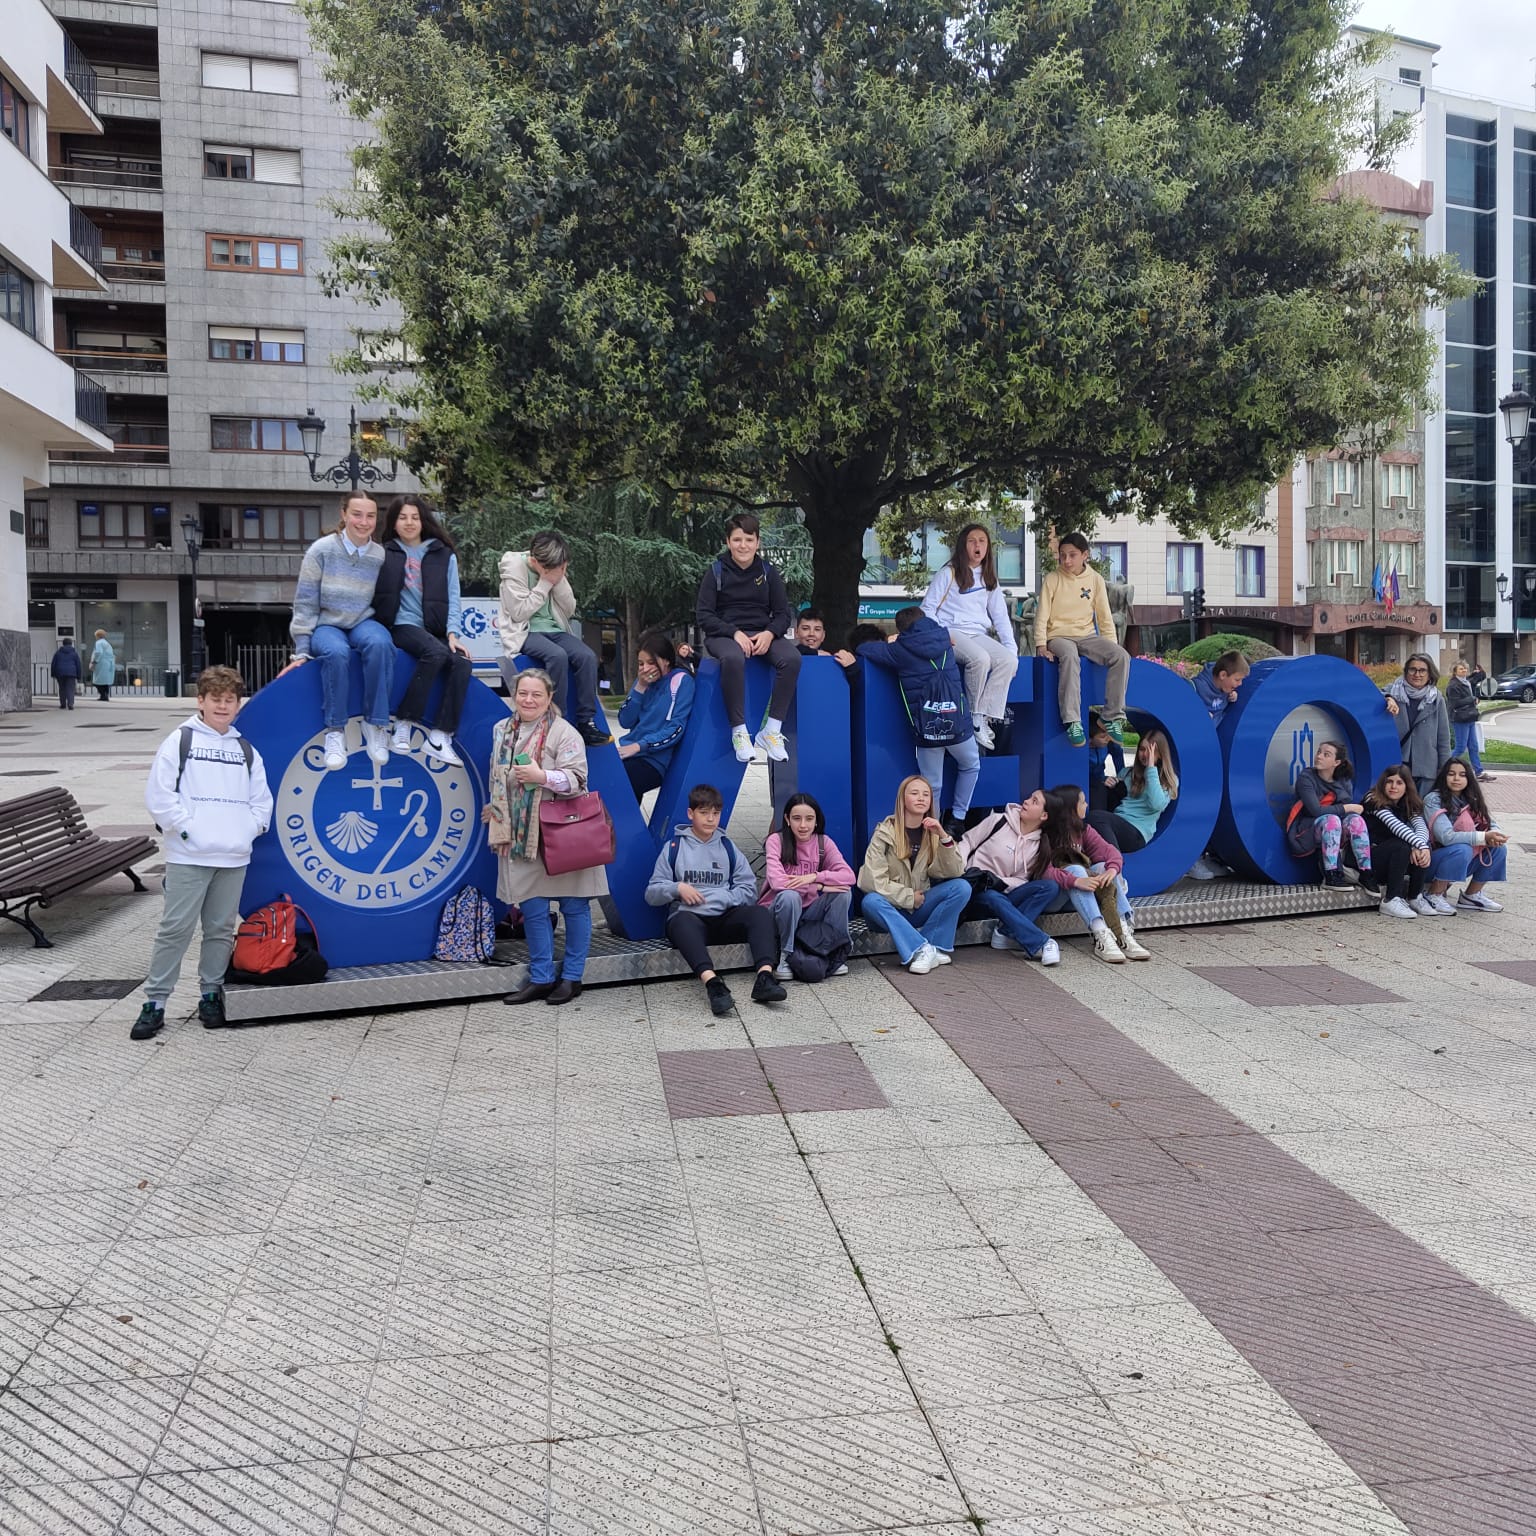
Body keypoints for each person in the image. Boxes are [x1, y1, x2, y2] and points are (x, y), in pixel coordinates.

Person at [134, 666, 273, 1040]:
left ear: (238, 704)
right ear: (200, 701)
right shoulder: (180, 741)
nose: (223, 706)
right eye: (216, 699)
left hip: (233, 857)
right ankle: (155, 1002)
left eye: (230, 700)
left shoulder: (246, 750)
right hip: (189, 856)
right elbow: (159, 796)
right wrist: (187, 830)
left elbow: (262, 802)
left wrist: (248, 830)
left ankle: (211, 994)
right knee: (175, 929)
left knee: (220, 930)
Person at [485, 668, 606, 1006]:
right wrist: (494, 807)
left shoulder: (564, 732)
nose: (528, 700)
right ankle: (541, 978)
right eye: (523, 693)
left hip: (562, 831)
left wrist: (542, 776)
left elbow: (577, 779)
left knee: (574, 904)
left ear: (549, 697)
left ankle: (572, 978)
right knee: (533, 905)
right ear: (514, 694)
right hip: (522, 833)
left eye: (536, 694)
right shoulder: (501, 729)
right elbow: (496, 774)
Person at [646, 783, 787, 1016]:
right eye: (704, 813)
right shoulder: (673, 848)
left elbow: (749, 889)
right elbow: (652, 894)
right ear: (690, 814)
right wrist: (677, 888)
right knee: (679, 922)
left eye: (715, 813)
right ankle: (713, 984)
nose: (711, 819)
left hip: (724, 917)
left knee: (760, 913)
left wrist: (725, 897)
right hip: (692, 921)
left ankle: (765, 977)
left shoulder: (727, 847)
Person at [288, 492, 395, 773]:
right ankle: (335, 731)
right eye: (357, 514)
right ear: (344, 514)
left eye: (370, 516)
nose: (364, 522)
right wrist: (302, 648)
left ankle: (376, 724)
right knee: (336, 653)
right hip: (327, 624)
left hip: (362, 621)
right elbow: (305, 601)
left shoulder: (380, 555)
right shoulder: (321, 550)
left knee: (381, 643)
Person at [856, 605, 979, 841]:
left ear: (901, 629)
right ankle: (957, 819)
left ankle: (933, 832)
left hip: (927, 728)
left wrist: (892, 640)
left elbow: (864, 648)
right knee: (971, 765)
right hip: (958, 724)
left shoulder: (899, 650)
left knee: (932, 784)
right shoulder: (946, 639)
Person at [373, 494, 472, 767]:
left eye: (415, 517)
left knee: (462, 663)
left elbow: (454, 597)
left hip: (434, 628)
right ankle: (404, 722)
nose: (409, 523)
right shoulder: (384, 553)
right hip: (400, 624)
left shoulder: (443, 554)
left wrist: (453, 634)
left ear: (423, 520)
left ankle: (440, 736)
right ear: (393, 522)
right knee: (435, 653)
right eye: (403, 517)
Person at [695, 512, 800, 763]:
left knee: (792, 659)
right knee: (733, 658)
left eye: (749, 540)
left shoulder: (768, 572)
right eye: (737, 539)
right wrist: (734, 632)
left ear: (758, 542)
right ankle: (739, 731)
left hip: (762, 633)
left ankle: (771, 730)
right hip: (724, 634)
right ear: (728, 542)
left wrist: (769, 633)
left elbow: (783, 614)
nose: (743, 546)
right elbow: (704, 615)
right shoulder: (715, 572)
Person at [498, 531, 611, 748]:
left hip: (554, 629)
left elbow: (569, 609)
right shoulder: (515, 568)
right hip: (525, 631)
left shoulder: (554, 566)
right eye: (551, 568)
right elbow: (519, 613)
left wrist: (558, 581)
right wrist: (544, 583)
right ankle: (557, 719)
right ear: (535, 561)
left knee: (587, 656)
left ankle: (586, 721)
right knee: (557, 656)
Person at [857, 774, 970, 974]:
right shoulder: (884, 833)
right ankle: (921, 949)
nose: (921, 798)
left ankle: (933, 946)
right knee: (870, 901)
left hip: (920, 907)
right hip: (891, 911)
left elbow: (954, 871)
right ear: (903, 799)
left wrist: (943, 837)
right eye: (915, 793)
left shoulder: (932, 832)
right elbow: (870, 881)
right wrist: (908, 897)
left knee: (961, 887)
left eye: (926, 794)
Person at [920, 524, 1017, 750]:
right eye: (972, 541)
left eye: (982, 541)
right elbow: (927, 609)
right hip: (951, 631)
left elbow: (1001, 617)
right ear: (963, 545)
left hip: (977, 633)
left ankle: (983, 715)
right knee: (980, 659)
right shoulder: (949, 572)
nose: (977, 545)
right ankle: (973, 716)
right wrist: (942, 634)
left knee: (1008, 661)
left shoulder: (989, 578)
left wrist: (1011, 649)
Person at [1035, 532, 1130, 749]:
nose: (1066, 560)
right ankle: (1072, 721)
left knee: (1121, 656)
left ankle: (1111, 716)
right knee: (1070, 656)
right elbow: (1042, 614)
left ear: (1085, 555)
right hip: (1058, 636)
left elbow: (1104, 617)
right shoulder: (1052, 579)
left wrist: (1111, 645)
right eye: (1062, 555)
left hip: (1087, 636)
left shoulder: (1095, 580)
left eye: (1072, 555)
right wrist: (1041, 644)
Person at [1036, 785, 1151, 962]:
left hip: (1080, 898)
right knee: (1076, 870)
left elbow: (1110, 852)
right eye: (1082, 802)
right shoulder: (1046, 834)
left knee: (1103, 867)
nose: (1087, 805)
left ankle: (1122, 932)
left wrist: (1111, 869)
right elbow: (1044, 872)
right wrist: (1075, 880)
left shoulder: (1083, 830)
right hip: (1054, 899)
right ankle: (1100, 935)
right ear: (1070, 809)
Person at [960, 790, 1062, 966]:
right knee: (992, 897)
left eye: (1034, 801)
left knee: (1049, 887)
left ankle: (1005, 933)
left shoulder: (1039, 845)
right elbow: (967, 841)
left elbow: (1022, 879)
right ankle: (1042, 942)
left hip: (1002, 891)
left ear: (1044, 815)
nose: (1026, 801)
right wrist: (962, 869)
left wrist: (999, 881)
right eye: (1029, 797)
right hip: (975, 890)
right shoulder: (998, 820)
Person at [759, 793, 855, 979]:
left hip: (808, 913)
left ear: (817, 821)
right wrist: (817, 887)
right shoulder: (776, 840)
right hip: (777, 912)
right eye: (797, 818)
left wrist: (815, 878)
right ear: (787, 819)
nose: (803, 825)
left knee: (843, 893)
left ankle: (834, 951)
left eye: (809, 819)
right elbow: (778, 882)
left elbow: (849, 876)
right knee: (790, 896)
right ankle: (785, 955)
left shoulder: (823, 842)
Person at [1423, 757, 1510, 914]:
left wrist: (1495, 835)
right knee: (1462, 849)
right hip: (1430, 860)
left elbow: (1489, 823)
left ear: (1469, 778)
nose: (1456, 778)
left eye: (1462, 775)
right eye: (1451, 774)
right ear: (1444, 776)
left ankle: (1471, 896)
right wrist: (1484, 837)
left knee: (1498, 849)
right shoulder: (1433, 799)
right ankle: (1433, 894)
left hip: (1460, 859)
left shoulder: (1471, 798)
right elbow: (1446, 837)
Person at [616, 631, 695, 799]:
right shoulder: (642, 681)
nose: (645, 669)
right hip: (630, 753)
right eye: (640, 664)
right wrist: (640, 687)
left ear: (666, 660)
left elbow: (676, 729)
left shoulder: (681, 681)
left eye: (651, 662)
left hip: (654, 760)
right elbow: (625, 720)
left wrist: (640, 746)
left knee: (619, 781)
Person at [1285, 740, 1372, 889]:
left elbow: (1347, 814)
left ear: (1336, 762)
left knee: (1356, 820)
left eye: (1326, 754)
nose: (1319, 756)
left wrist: (1348, 810)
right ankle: (1331, 874)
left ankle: (1366, 873)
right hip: (1307, 829)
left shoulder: (1344, 781)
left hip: (1335, 831)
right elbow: (1316, 810)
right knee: (1332, 820)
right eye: (1319, 752)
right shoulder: (1306, 777)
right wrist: (1346, 807)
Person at [1362, 765, 1433, 919]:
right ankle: (1391, 899)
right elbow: (1395, 826)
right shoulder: (1372, 798)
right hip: (1366, 861)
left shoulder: (1408, 802)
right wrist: (1419, 845)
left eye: (1399, 783)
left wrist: (1421, 846)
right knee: (1402, 846)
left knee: (1424, 846)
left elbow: (1421, 828)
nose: (1394, 786)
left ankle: (1415, 897)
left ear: (1407, 786)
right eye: (1389, 782)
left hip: (1390, 860)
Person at [1097, 730, 1177, 854]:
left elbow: (1157, 804)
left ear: (1161, 754)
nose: (1145, 755)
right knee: (1092, 814)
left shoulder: (1169, 780)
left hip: (1137, 832)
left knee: (1096, 818)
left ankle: (1114, 861)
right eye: (1142, 749)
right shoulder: (1127, 773)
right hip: (1116, 823)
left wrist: (1151, 768)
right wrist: (1108, 783)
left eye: (1150, 751)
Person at [1384, 653, 1452, 795]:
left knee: (1420, 806)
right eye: (1412, 669)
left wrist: (1445, 770)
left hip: (1426, 767)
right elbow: (1374, 695)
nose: (1417, 674)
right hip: (1396, 766)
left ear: (1430, 673)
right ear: (1406, 671)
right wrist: (1388, 698)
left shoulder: (1436, 699)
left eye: (1422, 670)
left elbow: (1443, 738)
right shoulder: (1393, 691)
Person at [1446, 662, 1494, 784]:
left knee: (1473, 746)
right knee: (1460, 747)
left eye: (1465, 669)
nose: (1464, 670)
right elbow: (1455, 703)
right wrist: (1472, 699)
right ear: (1455, 671)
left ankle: (1479, 772)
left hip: (1470, 717)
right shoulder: (1453, 685)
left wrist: (1479, 671)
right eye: (1461, 669)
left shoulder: (1466, 682)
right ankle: (1443, 766)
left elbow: (1480, 677)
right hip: (1460, 718)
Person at [1192, 650, 1250, 722]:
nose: (1240, 684)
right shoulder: (1198, 687)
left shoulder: (1225, 687)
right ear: (1223, 675)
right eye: (1237, 680)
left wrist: (1231, 697)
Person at [49, 637, 81, 710]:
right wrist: (78, 675)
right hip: (71, 673)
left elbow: (53, 664)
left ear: (63, 644)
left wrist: (53, 673)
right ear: (71, 644)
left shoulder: (57, 653)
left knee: (62, 688)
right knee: (70, 688)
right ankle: (70, 704)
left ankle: (63, 704)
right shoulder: (74, 654)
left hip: (60, 672)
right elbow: (78, 665)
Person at [89, 629, 115, 702]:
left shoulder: (99, 643)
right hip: (108, 663)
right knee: (106, 681)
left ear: (97, 636)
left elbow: (98, 653)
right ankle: (105, 695)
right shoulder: (107, 643)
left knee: (98, 681)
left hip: (101, 663)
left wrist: (94, 662)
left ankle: (103, 695)